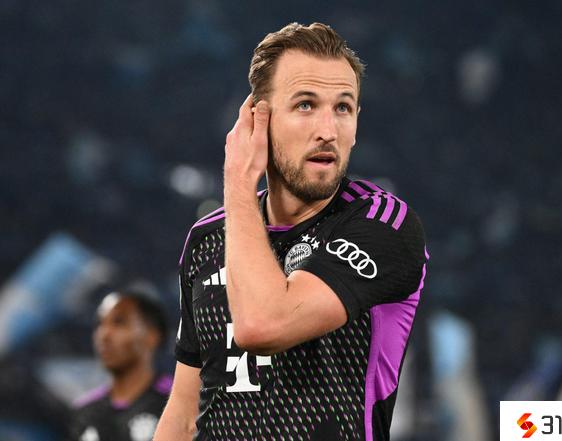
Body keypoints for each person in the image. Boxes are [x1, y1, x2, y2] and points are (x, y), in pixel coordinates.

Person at [154, 22, 428, 441]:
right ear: (257, 121)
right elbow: (184, 412)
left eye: (343, 108)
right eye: (305, 105)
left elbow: (262, 325)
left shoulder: (382, 223)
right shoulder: (207, 238)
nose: (328, 131)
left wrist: (238, 180)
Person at [70, 290, 172, 441]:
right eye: (99, 324)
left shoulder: (176, 403)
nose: (104, 335)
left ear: (151, 336)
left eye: (119, 323)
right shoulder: (84, 413)